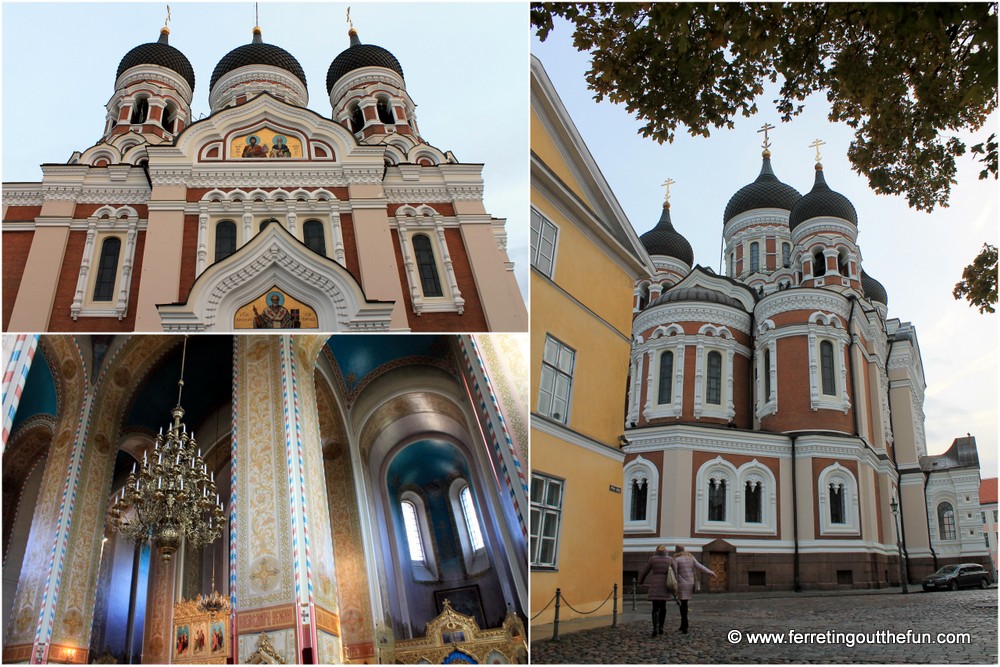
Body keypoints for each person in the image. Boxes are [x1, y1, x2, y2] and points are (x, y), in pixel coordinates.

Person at [673, 545, 716, 633]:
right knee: (685, 604)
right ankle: (683, 625)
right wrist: (711, 572)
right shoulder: (690, 557)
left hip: (681, 584)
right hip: (690, 583)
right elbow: (700, 567)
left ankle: (685, 626)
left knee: (682, 605)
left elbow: (674, 572)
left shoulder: (676, 560)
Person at [638, 545, 676, 637]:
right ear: (666, 551)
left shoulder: (653, 559)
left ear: (656, 550)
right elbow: (675, 572)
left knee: (655, 608)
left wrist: (640, 581)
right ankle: (661, 627)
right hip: (665, 585)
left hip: (655, 584)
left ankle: (655, 627)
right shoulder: (670, 559)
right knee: (663, 607)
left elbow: (645, 571)